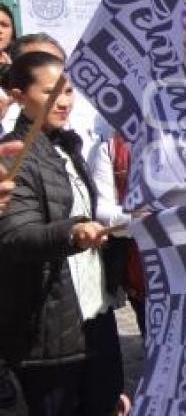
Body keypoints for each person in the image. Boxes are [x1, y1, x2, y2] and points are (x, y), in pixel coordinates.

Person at [0, 51, 125, 415]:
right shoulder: (12, 156)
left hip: (94, 313)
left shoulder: (69, 146)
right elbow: (16, 236)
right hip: (48, 330)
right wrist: (73, 233)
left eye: (69, 91)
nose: (64, 101)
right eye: (51, 92)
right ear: (20, 96)